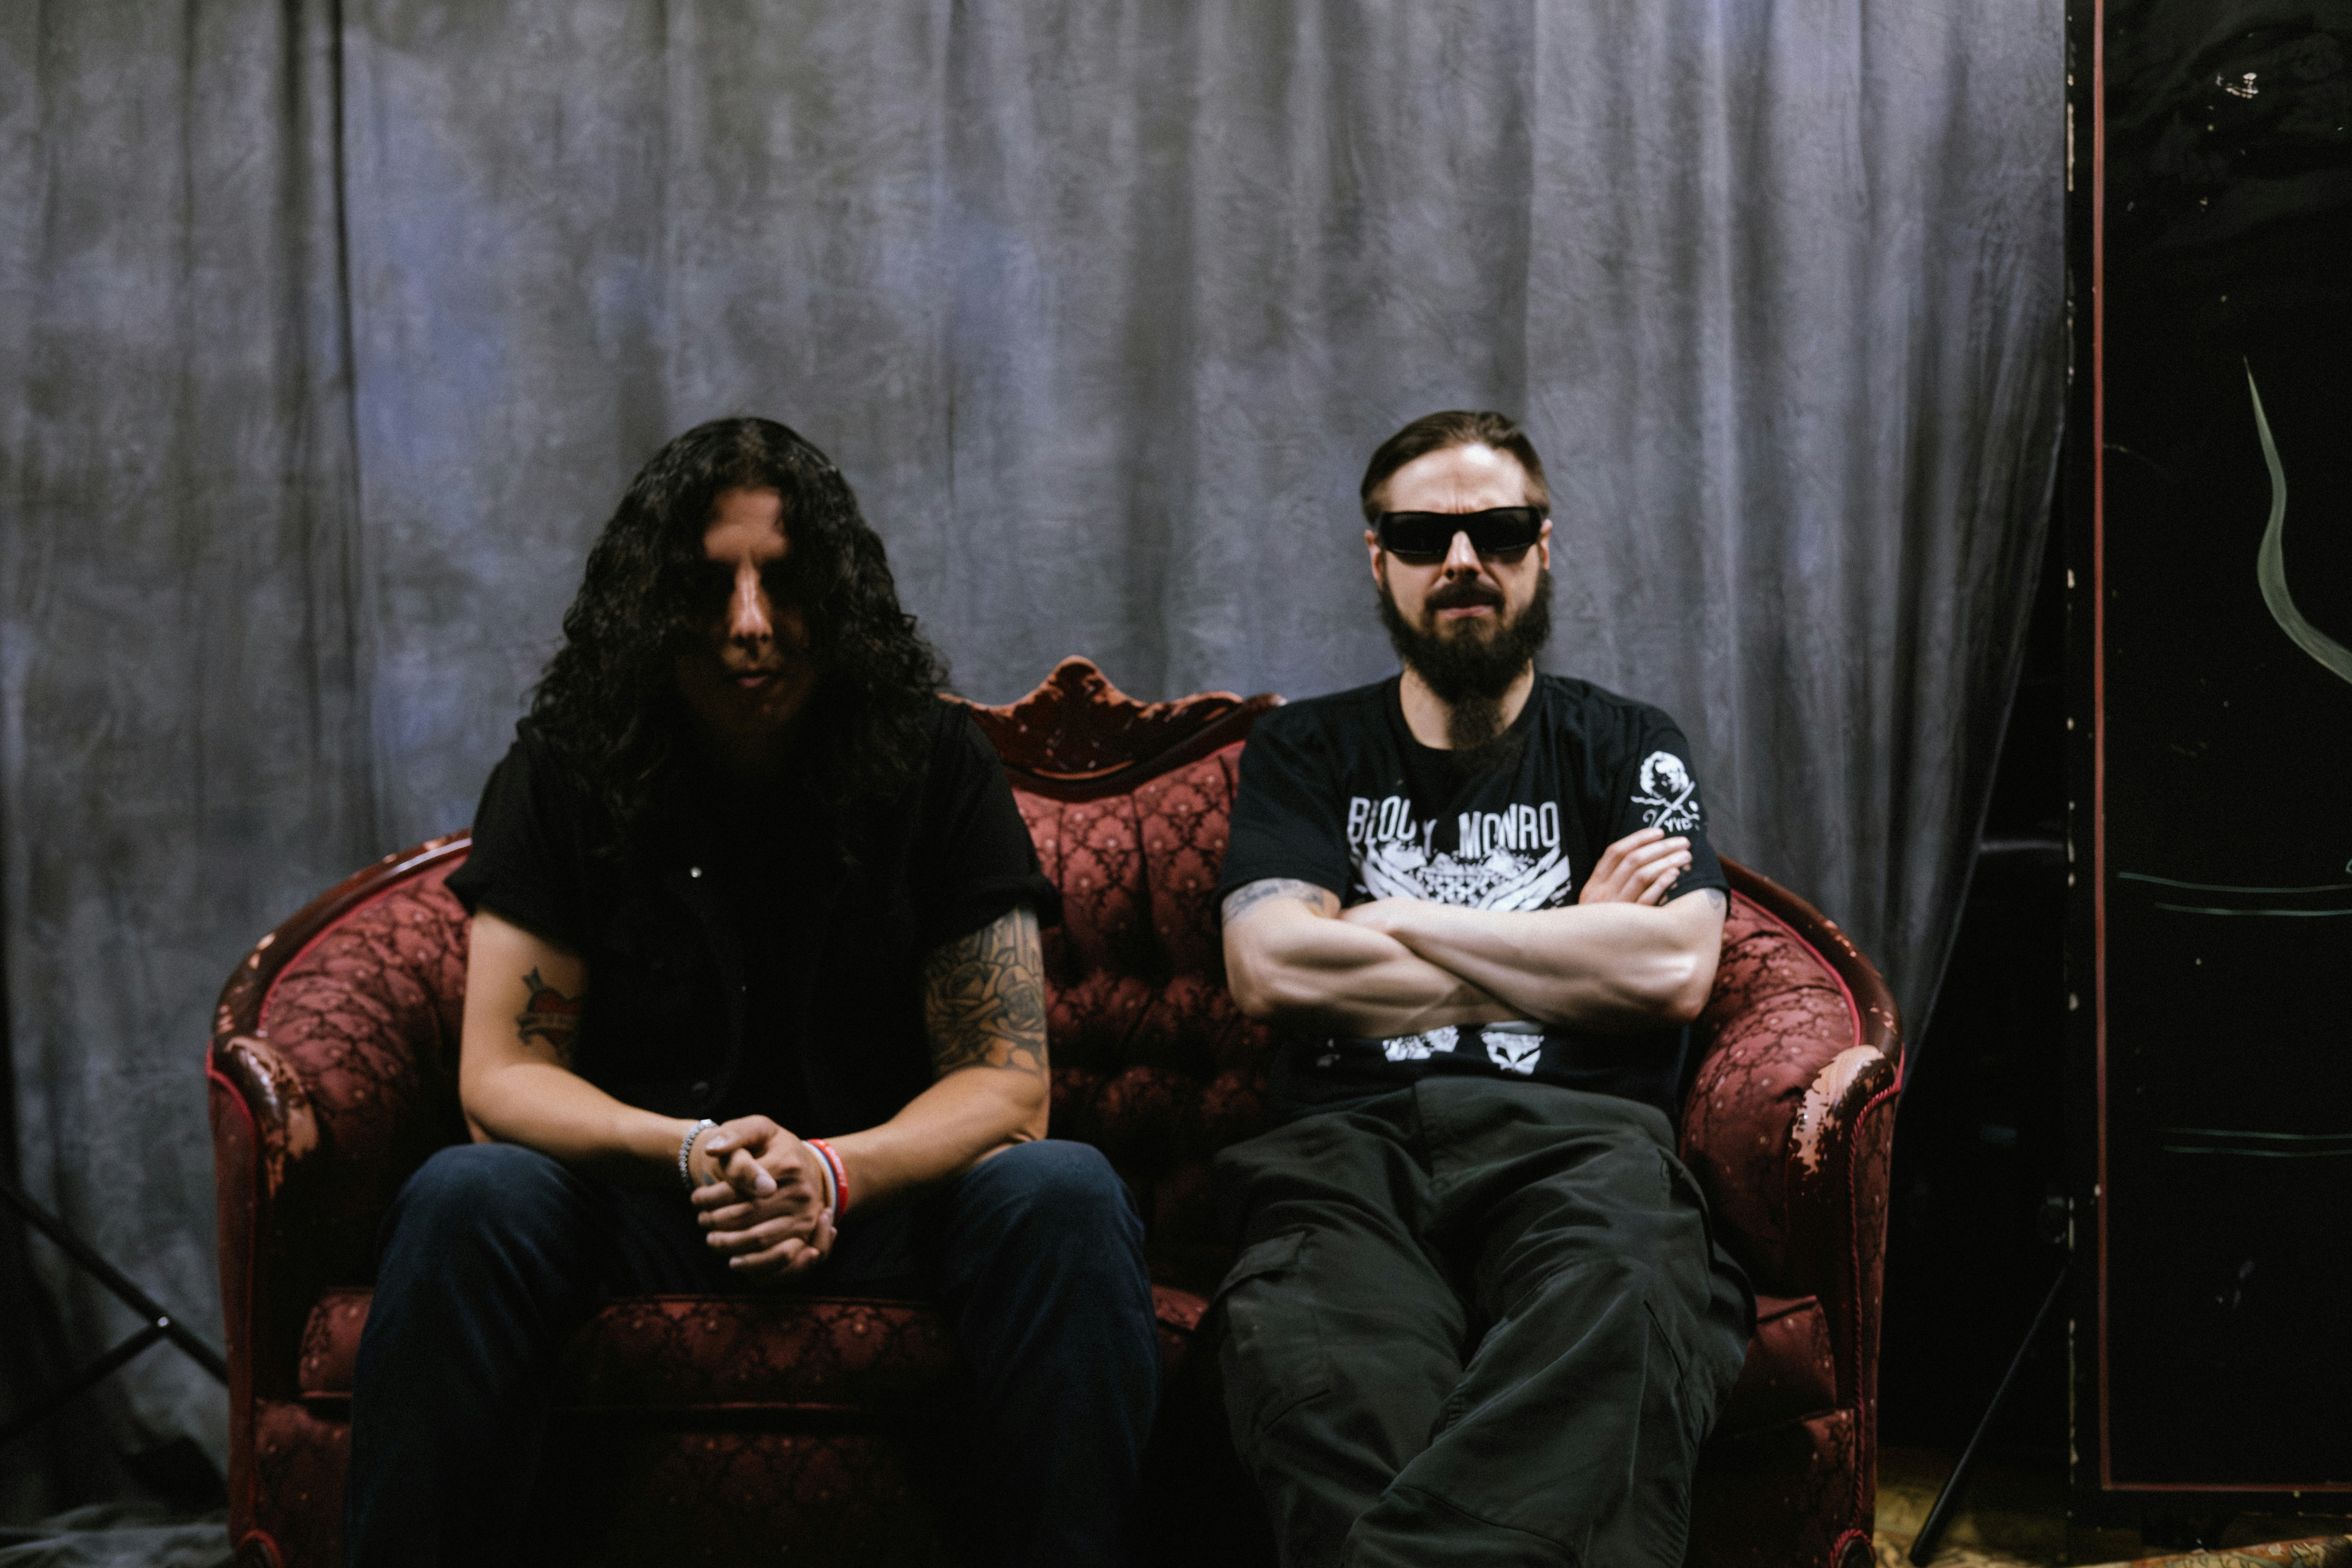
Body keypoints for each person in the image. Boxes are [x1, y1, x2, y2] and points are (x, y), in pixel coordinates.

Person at [343, 417, 1161, 1567]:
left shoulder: (936, 765)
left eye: (783, 583)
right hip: (645, 1202)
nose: (749, 627)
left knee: (1065, 1192)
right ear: (650, 604)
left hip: (886, 1205)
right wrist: (691, 1152)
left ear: (839, 594)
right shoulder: (567, 766)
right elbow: (502, 1079)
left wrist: (834, 1172)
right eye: (708, 587)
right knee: (465, 1195)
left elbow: (1007, 1085)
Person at [1212, 410, 1754, 1566]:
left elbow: (1669, 967)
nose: (1462, 562)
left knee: (1631, 1298)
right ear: (1380, 560)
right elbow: (1270, 967)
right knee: (1320, 1365)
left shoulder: (1626, 746)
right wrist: (1565, 947)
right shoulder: (1304, 752)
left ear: (1541, 547)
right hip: (1345, 1155)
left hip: (1581, 1145)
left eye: (1496, 530)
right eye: (1423, 535)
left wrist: (1391, 921)